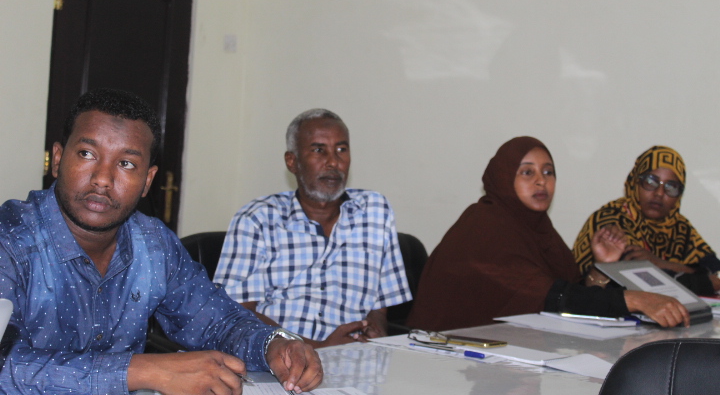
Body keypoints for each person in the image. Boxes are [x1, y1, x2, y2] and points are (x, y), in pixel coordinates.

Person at [0, 89, 322, 395]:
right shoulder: (10, 238)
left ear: (147, 181)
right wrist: (144, 370)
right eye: (87, 154)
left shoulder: (153, 244)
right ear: (57, 159)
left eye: (126, 163)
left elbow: (218, 323)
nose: (102, 179)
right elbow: (7, 367)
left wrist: (274, 345)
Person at [406, 136, 690, 332]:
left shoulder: (537, 229)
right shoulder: (484, 227)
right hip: (449, 358)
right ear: (504, 178)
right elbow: (551, 297)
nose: (541, 181)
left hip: (506, 352)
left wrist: (601, 269)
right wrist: (637, 300)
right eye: (527, 173)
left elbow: (566, 295)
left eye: (548, 172)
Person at [213, 108, 411, 348]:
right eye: (319, 150)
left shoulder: (375, 211)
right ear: (292, 162)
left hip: (355, 357)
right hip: (278, 358)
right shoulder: (257, 219)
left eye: (341, 150)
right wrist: (314, 348)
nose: (333, 162)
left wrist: (375, 327)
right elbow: (236, 312)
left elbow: (380, 304)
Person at [573, 145, 720, 296]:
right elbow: (636, 286)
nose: (659, 193)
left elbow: (716, 271)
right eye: (651, 181)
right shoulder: (611, 219)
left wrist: (660, 264)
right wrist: (704, 281)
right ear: (635, 181)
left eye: (671, 186)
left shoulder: (681, 227)